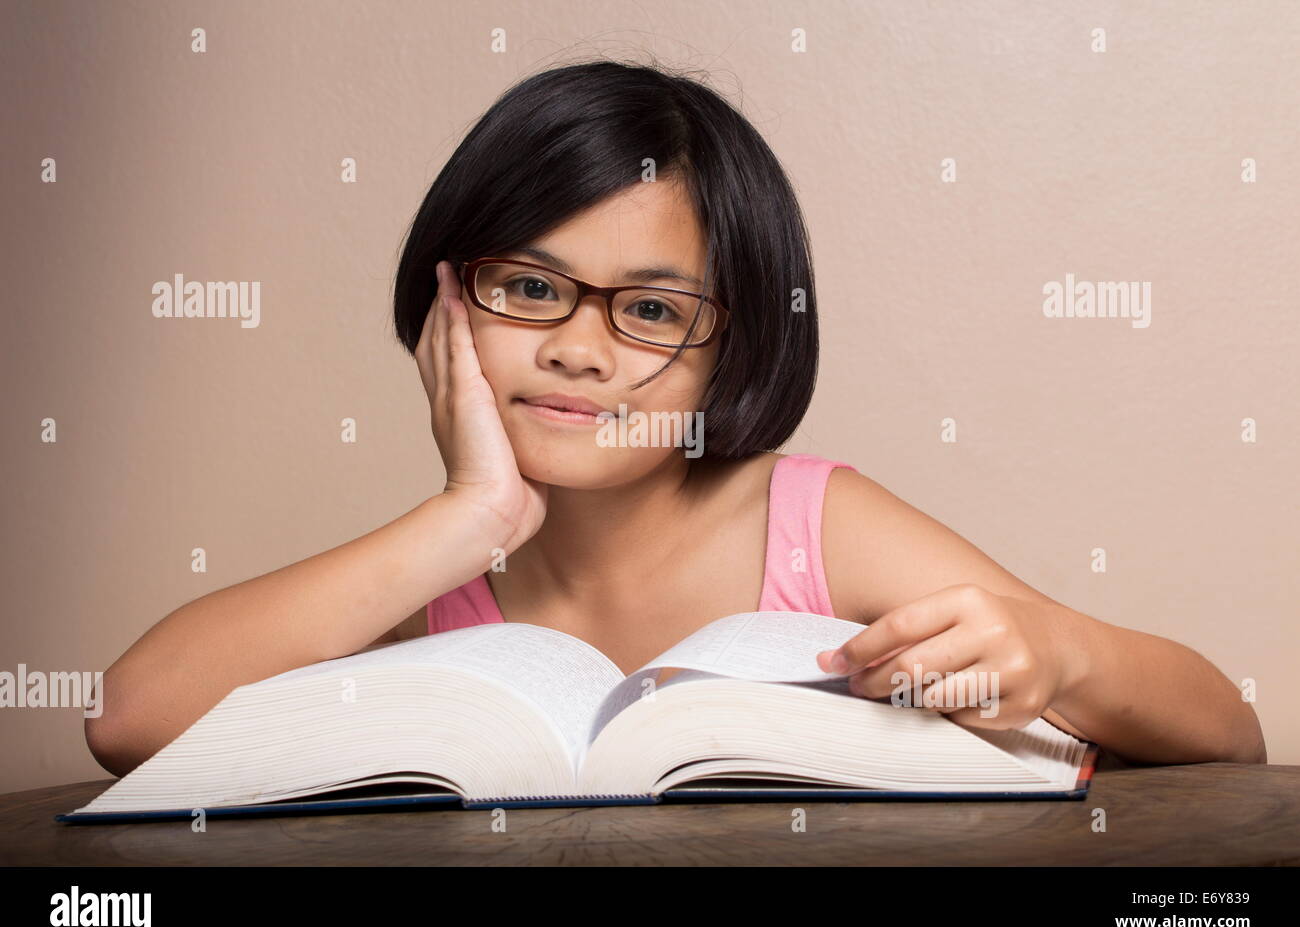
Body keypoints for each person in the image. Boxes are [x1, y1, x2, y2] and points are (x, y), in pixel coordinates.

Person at [85, 59, 1265, 778]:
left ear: (734, 345)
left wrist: (1057, 652)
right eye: (529, 287)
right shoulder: (440, 587)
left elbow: (1227, 731)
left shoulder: (817, 524)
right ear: (449, 304)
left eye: (651, 309)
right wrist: (470, 516)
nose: (578, 346)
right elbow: (131, 719)